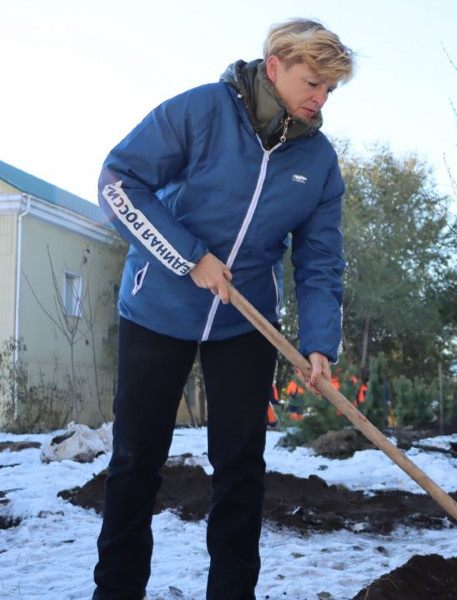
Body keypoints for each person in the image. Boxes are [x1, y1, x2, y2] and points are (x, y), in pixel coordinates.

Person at [92, 19, 354, 600]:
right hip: (157, 307)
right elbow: (118, 183)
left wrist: (318, 343)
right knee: (137, 460)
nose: (320, 99)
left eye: (330, 90)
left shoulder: (319, 163)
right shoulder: (203, 112)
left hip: (245, 321)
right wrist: (190, 259)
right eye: (313, 83)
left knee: (240, 468)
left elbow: (318, 261)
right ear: (275, 67)